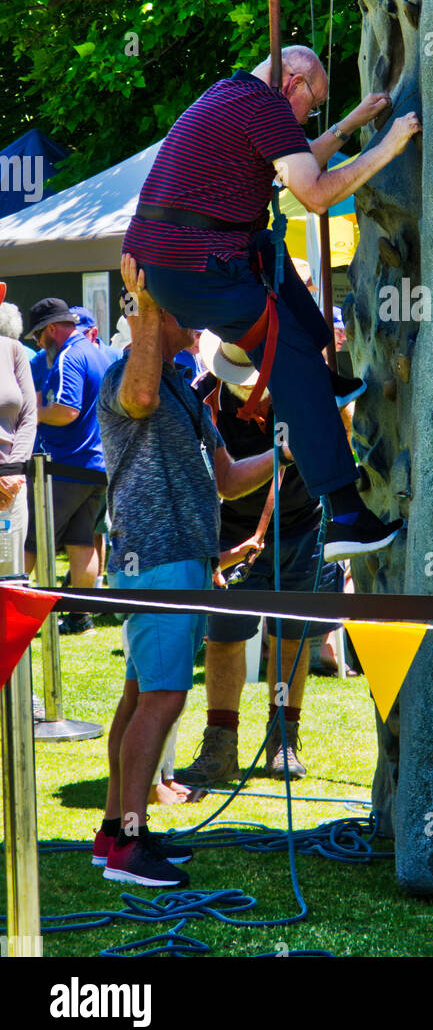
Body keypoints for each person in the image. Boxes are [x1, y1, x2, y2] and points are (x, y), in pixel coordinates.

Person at [121, 44, 419, 562]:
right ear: (291, 82)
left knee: (269, 253)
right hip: (197, 266)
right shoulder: (265, 106)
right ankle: (346, 513)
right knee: (290, 358)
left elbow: (297, 163)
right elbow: (315, 193)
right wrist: (390, 144)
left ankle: (324, 380)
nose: (309, 116)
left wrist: (349, 125)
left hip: (174, 259)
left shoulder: (232, 95)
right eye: (314, 103)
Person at [94, 256, 278, 888]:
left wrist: (283, 456)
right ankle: (129, 846)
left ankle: (115, 832)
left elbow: (225, 480)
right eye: (185, 306)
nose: (198, 319)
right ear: (159, 314)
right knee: (164, 698)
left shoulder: (183, 386)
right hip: (158, 561)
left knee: (140, 695)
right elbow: (139, 397)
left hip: (175, 561)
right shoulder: (131, 377)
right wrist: (146, 300)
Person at [173, 332, 347, 787]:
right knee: (225, 638)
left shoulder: (302, 386)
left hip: (304, 523)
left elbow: (343, 432)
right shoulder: (203, 398)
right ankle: (220, 745)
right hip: (230, 531)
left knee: (292, 637)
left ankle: (282, 740)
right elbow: (216, 481)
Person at [23, 297, 113, 634]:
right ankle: (80, 618)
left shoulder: (70, 356)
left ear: (50, 330)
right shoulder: (97, 353)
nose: (36, 342)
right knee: (81, 543)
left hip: (67, 466)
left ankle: (7, 620)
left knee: (28, 541)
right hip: (97, 466)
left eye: (36, 335)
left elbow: (66, 410)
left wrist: (31, 414)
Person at [0, 280, 37, 578]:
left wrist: (13, 472)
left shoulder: (13, 350)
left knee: (9, 576)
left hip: (9, 485)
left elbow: (28, 415)